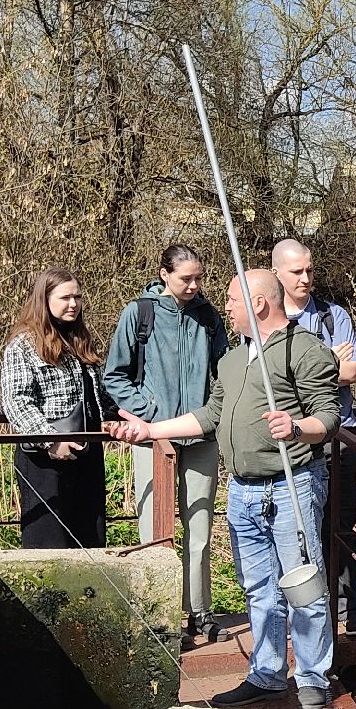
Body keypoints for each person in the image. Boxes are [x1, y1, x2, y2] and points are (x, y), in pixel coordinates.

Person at [110, 270, 341, 709]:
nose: (226, 308)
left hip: (290, 486)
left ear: (257, 304)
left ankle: (313, 675)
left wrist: (297, 427)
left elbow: (326, 419)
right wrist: (150, 430)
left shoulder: (305, 351)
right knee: (259, 589)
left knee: (303, 587)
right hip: (243, 492)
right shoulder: (233, 360)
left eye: (234, 300)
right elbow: (210, 414)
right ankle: (268, 673)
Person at [104, 245, 227, 644]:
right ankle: (155, 615)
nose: (193, 285)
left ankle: (199, 611)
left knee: (200, 527)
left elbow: (223, 370)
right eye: (184, 278)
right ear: (163, 275)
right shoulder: (139, 313)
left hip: (200, 435)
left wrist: (213, 410)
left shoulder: (208, 316)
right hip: (152, 439)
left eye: (198, 277)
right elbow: (115, 376)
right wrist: (150, 412)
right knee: (152, 529)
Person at [0, 267, 116, 548]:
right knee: (49, 542)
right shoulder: (23, 345)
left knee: (90, 537)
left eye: (77, 297)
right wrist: (52, 440)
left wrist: (119, 417)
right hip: (44, 460)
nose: (73, 304)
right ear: (45, 299)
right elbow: (16, 400)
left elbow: (98, 396)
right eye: (65, 298)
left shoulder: (79, 341)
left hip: (87, 455)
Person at [271, 238, 356, 599]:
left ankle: (343, 608)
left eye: (309, 270)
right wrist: (327, 360)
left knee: (339, 527)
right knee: (294, 527)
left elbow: (351, 371)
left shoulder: (333, 315)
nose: (306, 278)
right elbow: (271, 379)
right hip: (291, 442)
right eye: (297, 271)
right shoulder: (267, 318)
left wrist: (302, 370)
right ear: (276, 273)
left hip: (337, 439)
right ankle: (303, 606)